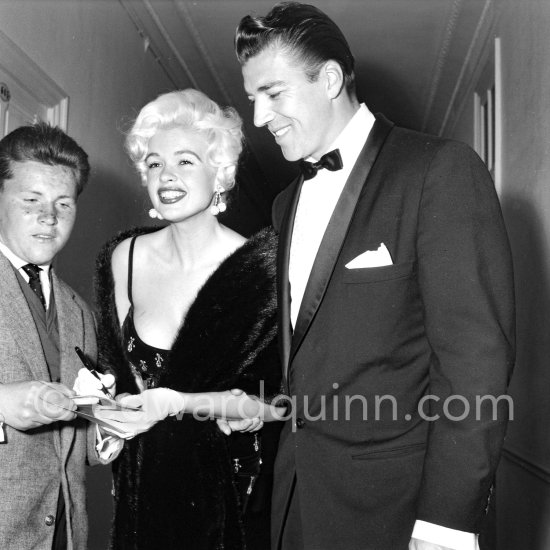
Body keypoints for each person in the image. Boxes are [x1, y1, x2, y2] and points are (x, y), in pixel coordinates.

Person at [234, 3, 516, 550]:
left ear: (332, 79)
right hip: (295, 505)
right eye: (252, 100)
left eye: (273, 93)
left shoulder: (439, 170)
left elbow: (476, 367)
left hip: (399, 515)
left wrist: (446, 527)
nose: (259, 118)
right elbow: (313, 356)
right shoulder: (283, 205)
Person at [94, 88, 284, 550]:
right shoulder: (126, 257)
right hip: (141, 487)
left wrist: (178, 402)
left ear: (219, 173)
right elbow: (114, 377)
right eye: (155, 163)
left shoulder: (262, 269)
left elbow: (273, 406)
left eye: (185, 161)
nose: (167, 176)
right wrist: (106, 414)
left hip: (228, 495)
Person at [0, 122, 101, 549]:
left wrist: (111, 423)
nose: (49, 218)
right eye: (32, 200)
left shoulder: (81, 313)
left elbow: (81, 448)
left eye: (63, 203)